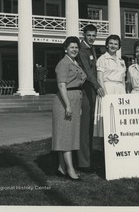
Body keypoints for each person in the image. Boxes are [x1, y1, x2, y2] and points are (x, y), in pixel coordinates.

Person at [52, 36, 87, 181]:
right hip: (65, 100)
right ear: (65, 49)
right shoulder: (64, 63)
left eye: (76, 47)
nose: (74, 50)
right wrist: (68, 105)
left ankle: (62, 167)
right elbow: (61, 85)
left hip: (74, 98)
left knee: (67, 134)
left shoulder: (74, 62)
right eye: (71, 47)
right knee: (66, 136)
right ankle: (71, 170)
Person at [76, 24, 105, 172]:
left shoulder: (91, 48)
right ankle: (83, 163)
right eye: (89, 35)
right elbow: (87, 71)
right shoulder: (82, 50)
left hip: (92, 91)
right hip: (86, 90)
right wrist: (98, 85)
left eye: (94, 35)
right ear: (84, 35)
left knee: (89, 128)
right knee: (84, 128)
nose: (92, 38)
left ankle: (88, 159)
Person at [94, 34, 126, 137]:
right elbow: (99, 78)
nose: (113, 46)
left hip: (119, 91)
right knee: (108, 119)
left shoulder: (121, 61)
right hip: (107, 89)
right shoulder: (102, 59)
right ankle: (106, 149)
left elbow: (123, 79)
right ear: (107, 45)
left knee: (119, 119)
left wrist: (124, 94)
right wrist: (106, 96)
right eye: (111, 43)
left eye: (116, 44)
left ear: (119, 46)